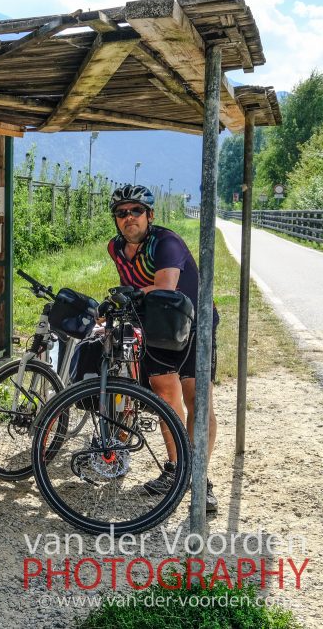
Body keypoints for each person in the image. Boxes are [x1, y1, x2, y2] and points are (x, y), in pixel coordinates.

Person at [106, 184, 218, 513]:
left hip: (195, 323)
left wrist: (127, 293)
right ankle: (175, 470)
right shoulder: (115, 249)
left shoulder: (165, 243)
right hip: (157, 328)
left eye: (136, 211)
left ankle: (200, 478)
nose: (129, 218)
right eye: (122, 213)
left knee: (196, 397)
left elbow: (164, 286)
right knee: (165, 398)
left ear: (150, 215)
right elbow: (135, 291)